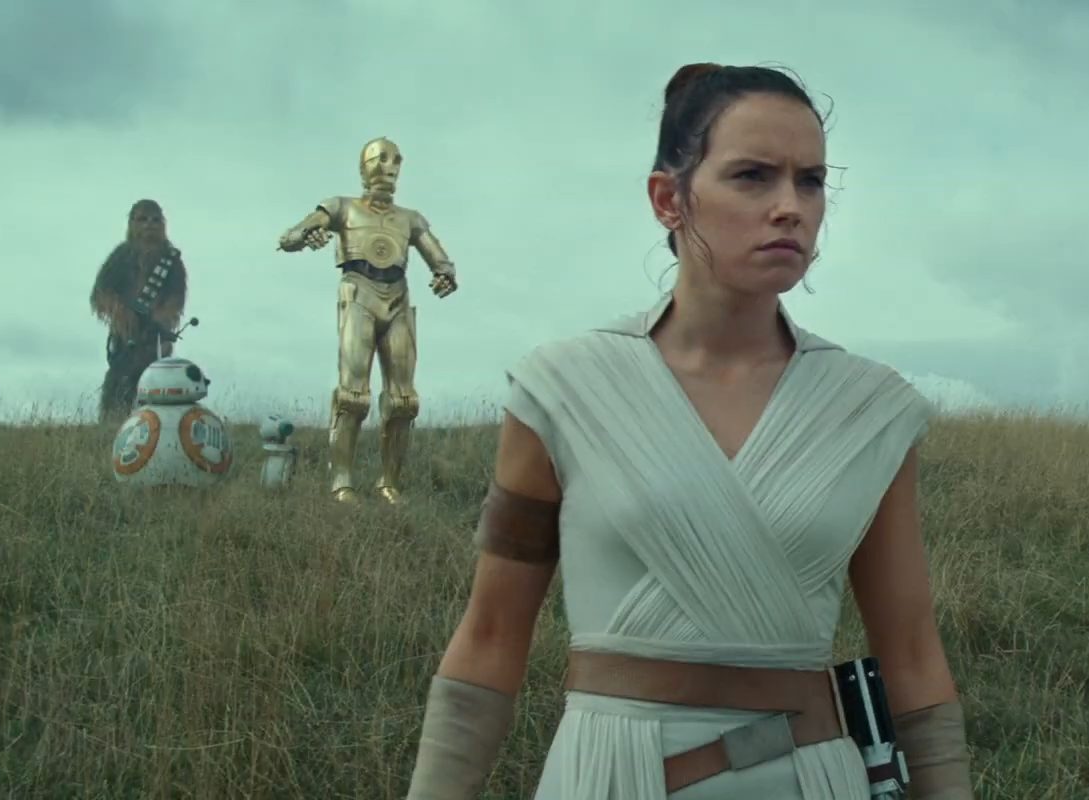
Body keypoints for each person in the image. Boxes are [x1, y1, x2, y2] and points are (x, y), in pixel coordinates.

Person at [400, 63, 974, 799]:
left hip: (810, 780)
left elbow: (914, 654)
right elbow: (489, 635)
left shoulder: (868, 410)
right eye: (752, 176)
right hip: (609, 775)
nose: (790, 207)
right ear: (669, 199)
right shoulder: (564, 391)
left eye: (810, 181)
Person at [276, 136, 460, 504]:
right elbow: (290, 236)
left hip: (398, 297)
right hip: (358, 293)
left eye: (396, 160)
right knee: (352, 395)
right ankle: (341, 481)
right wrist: (307, 234)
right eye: (381, 159)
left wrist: (444, 273)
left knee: (404, 400)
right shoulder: (341, 207)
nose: (389, 167)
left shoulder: (409, 219)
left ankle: (389, 483)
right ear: (364, 166)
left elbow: (440, 259)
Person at [90, 199, 188, 424]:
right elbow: (101, 293)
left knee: (157, 390)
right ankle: (112, 429)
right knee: (118, 387)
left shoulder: (171, 261)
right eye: (142, 219)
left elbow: (176, 298)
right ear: (132, 223)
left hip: (156, 339)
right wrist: (123, 315)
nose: (149, 225)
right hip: (125, 338)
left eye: (155, 220)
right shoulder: (121, 256)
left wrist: (159, 321)